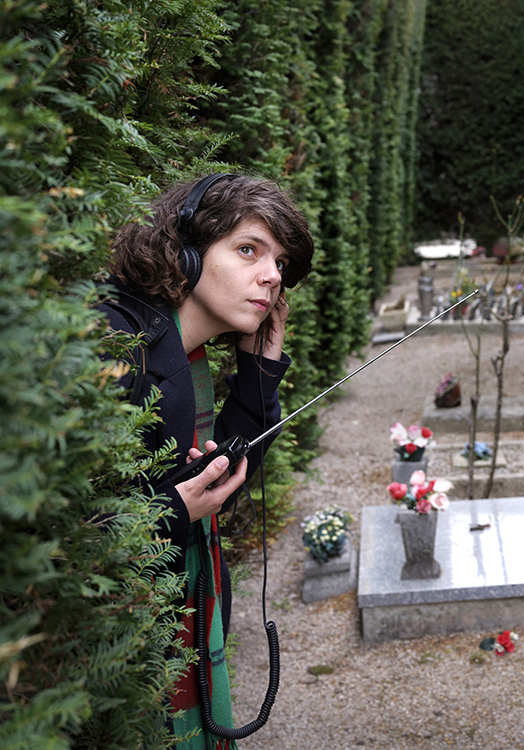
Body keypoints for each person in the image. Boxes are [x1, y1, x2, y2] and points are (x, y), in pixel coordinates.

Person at [100, 173, 314, 747]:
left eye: (280, 262)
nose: (271, 276)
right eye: (249, 249)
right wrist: (169, 510)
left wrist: (260, 372)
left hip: (179, 614)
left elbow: (220, 479)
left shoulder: (182, 353)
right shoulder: (114, 343)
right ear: (188, 250)